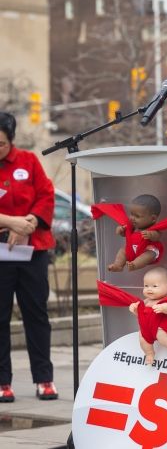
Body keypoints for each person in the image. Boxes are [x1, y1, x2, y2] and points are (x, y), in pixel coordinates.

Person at [0, 112, 58, 403]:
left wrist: (30, 222)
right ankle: (2, 382)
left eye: (0, 143)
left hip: (32, 249)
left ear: (10, 140)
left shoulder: (29, 161)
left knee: (36, 314)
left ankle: (44, 379)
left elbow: (46, 195)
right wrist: (10, 222)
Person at [129, 266, 167, 365]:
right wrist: (134, 308)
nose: (149, 289)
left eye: (154, 286)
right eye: (146, 286)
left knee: (164, 340)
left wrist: (163, 308)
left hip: (160, 327)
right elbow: (140, 314)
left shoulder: (165, 300)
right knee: (143, 341)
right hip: (146, 328)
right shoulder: (145, 302)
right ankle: (149, 353)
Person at [108, 194, 162, 272]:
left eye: (137, 216)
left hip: (147, 249)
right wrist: (120, 230)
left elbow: (158, 236)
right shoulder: (132, 227)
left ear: (153, 218)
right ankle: (118, 265)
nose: (132, 218)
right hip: (132, 250)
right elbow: (126, 234)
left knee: (149, 254)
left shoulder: (154, 229)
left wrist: (151, 235)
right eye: (131, 214)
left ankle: (135, 265)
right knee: (122, 251)